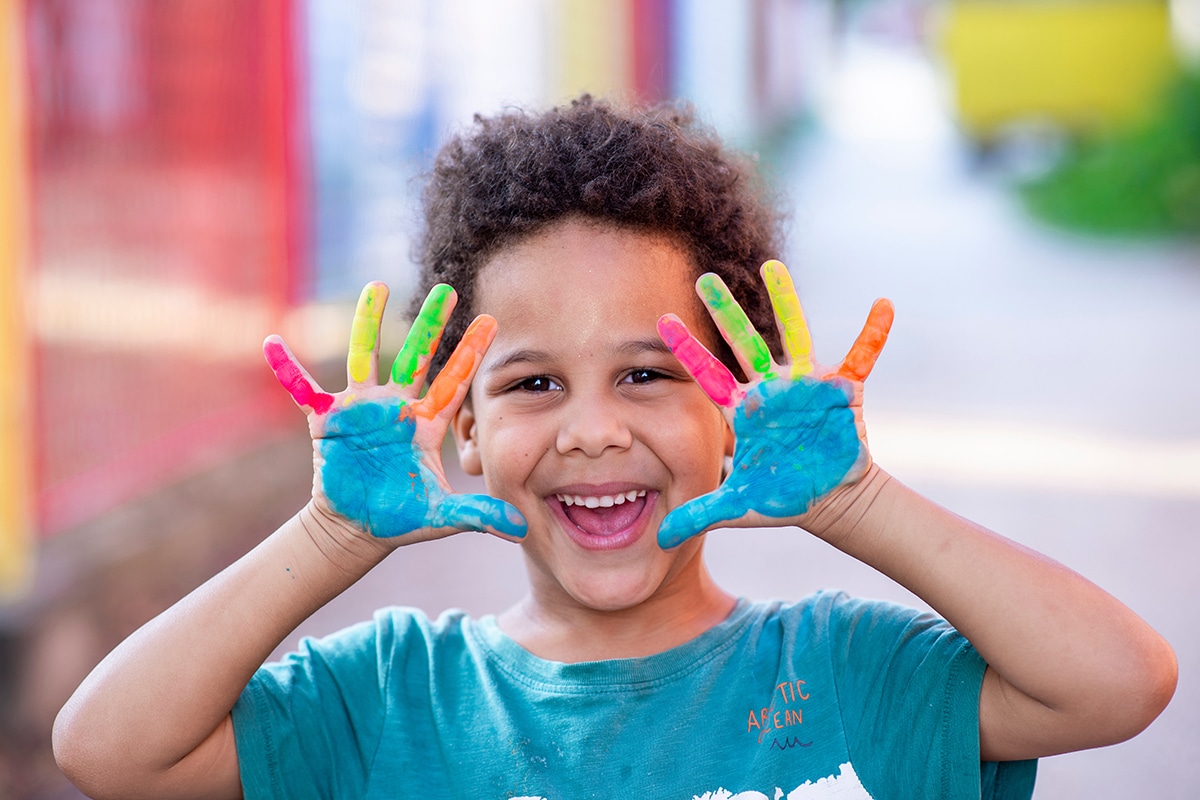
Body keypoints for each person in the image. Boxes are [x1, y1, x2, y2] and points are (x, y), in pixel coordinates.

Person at [53, 96, 1176, 799]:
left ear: (732, 402)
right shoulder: (390, 695)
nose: (594, 427)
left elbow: (1120, 681)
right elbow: (108, 749)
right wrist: (328, 533)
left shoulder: (844, 671)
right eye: (534, 382)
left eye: (648, 372)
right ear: (465, 424)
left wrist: (859, 501)